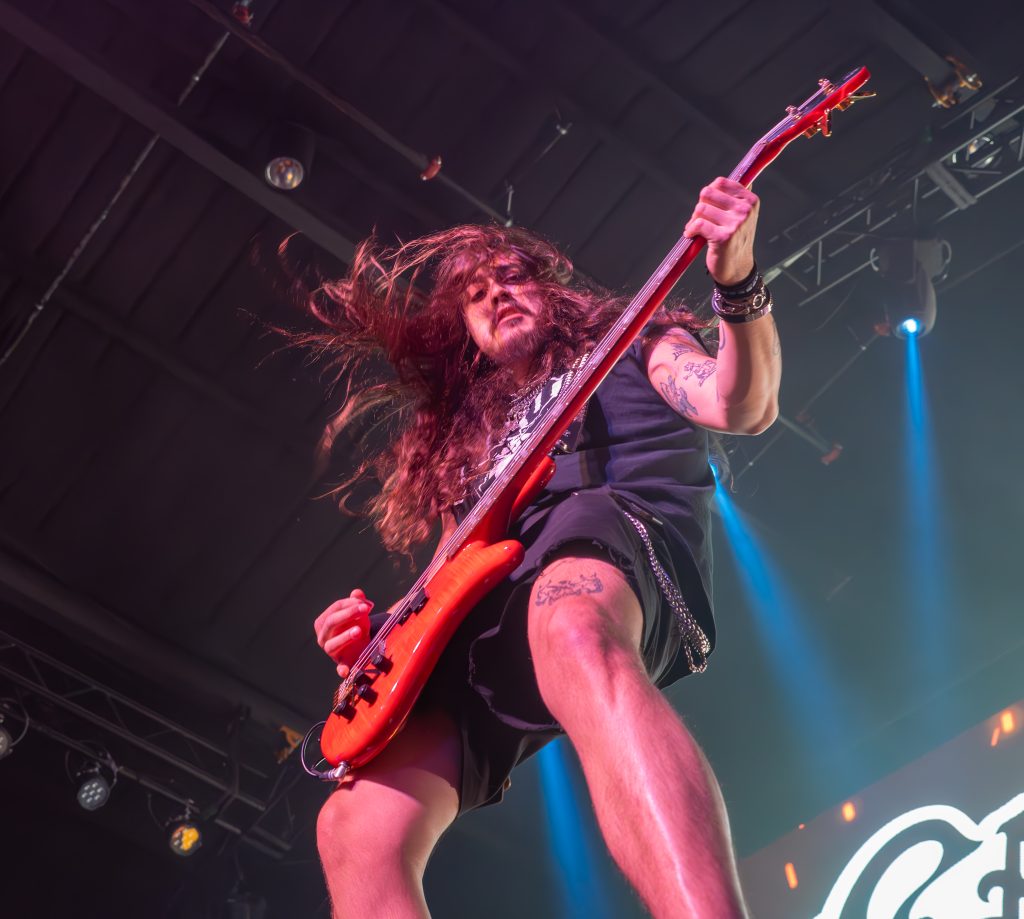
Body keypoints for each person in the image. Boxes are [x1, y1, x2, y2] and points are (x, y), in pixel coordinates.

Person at [308, 176, 780, 918]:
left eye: (510, 277)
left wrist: (738, 281)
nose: (495, 295)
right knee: (353, 824)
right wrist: (378, 641)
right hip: (498, 604)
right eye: (475, 295)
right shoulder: (471, 447)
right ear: (466, 331)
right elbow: (446, 576)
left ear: (549, 287)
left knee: (569, 626)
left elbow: (739, 402)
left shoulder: (635, 341)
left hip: (609, 541)